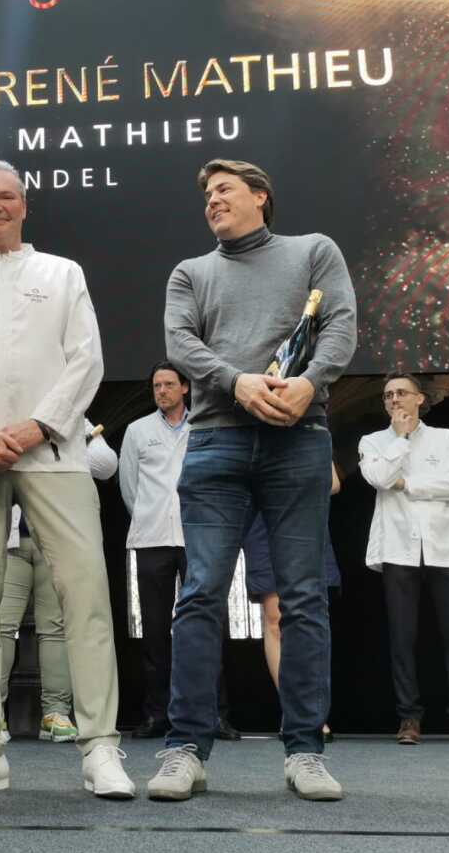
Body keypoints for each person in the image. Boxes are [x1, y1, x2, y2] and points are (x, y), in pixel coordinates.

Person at [0, 159, 133, 799]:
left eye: (5, 197)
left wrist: (40, 426)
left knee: (87, 595)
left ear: (24, 204)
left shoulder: (62, 273)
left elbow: (85, 360)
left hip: (54, 451)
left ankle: (100, 747)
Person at [149, 158, 356, 803]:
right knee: (202, 593)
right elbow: (179, 342)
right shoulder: (191, 272)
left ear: (261, 196)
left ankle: (305, 751)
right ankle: (185, 747)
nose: (212, 199)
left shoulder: (313, 251)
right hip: (215, 439)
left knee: (302, 598)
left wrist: (308, 384)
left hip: (299, 438)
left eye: (225, 190)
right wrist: (234, 381)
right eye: (205, 192)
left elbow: (341, 326)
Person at [358, 373, 449, 747]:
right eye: (388, 395)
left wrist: (409, 484)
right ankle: (409, 718)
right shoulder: (373, 441)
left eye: (402, 393)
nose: (394, 400)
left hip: (445, 547)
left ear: (420, 399)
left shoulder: (446, 438)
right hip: (397, 547)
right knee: (403, 637)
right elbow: (380, 477)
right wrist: (400, 440)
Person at [120, 362, 239, 741]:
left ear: (185, 388)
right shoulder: (137, 431)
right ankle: (157, 714)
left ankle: (215, 715)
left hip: (199, 538)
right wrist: (150, 514)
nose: (162, 391)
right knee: (154, 633)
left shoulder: (204, 425)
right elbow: (129, 487)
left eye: (169, 384)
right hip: (152, 539)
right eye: (157, 385)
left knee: (208, 627)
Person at [0, 416, 117, 744]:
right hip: (10, 539)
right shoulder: (2, 409)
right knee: (0, 624)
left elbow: (106, 464)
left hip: (55, 537)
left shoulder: (70, 413)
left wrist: (61, 443)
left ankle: (56, 713)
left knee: (55, 626)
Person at [242, 464, 342, 740]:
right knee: (275, 620)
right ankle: (293, 711)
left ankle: (312, 713)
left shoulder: (312, 425)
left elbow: (333, 483)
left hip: (305, 520)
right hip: (263, 523)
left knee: (310, 619)